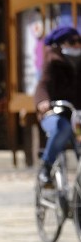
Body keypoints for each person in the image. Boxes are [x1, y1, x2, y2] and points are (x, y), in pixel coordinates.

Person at [35, 26, 81, 185]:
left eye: (79, 41)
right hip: (56, 112)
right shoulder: (52, 61)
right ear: (60, 44)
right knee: (62, 127)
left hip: (78, 115)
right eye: (72, 41)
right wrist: (43, 101)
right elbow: (43, 84)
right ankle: (46, 166)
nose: (77, 45)